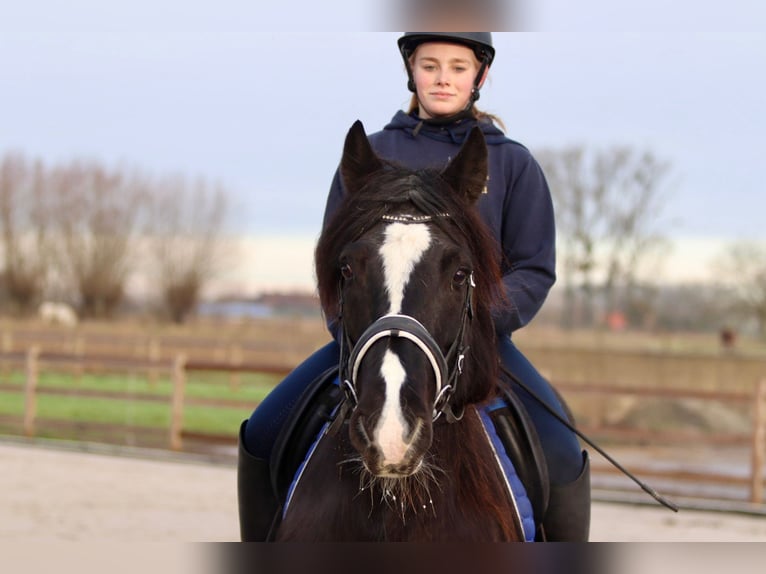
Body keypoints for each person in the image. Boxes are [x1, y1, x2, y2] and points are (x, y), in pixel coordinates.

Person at [239, 32, 590, 541]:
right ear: (411, 71)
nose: (443, 77)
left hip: (480, 343)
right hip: (366, 338)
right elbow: (335, 260)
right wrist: (349, 326)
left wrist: (475, 320)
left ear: (479, 76)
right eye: (430, 65)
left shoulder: (513, 163)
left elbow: (535, 267)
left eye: (457, 66)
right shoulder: (373, 154)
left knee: (561, 451)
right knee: (263, 433)